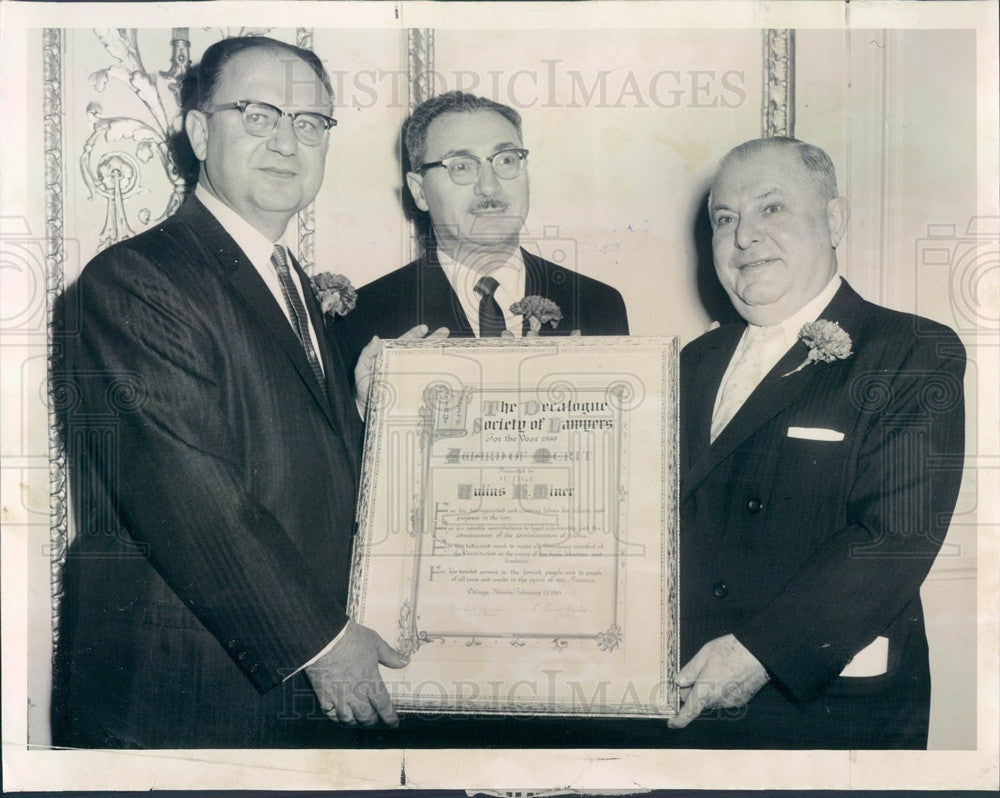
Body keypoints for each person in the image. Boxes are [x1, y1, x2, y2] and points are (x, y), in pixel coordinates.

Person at [52, 36, 409, 748]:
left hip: (274, 687)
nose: (287, 142)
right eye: (258, 114)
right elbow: (187, 492)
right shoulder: (136, 278)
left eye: (310, 123)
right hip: (185, 688)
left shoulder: (293, 283)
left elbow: (278, 458)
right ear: (196, 131)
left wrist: (367, 414)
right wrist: (322, 643)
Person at [671, 137, 965, 748]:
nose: (744, 236)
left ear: (834, 220)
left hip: (823, 708)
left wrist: (759, 653)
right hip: (689, 697)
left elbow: (893, 537)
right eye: (725, 219)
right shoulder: (688, 362)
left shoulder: (911, 352)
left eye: (770, 208)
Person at [337, 90, 629, 370]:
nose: (489, 186)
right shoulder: (362, 318)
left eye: (506, 160)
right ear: (419, 192)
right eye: (462, 166)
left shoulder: (599, 305)